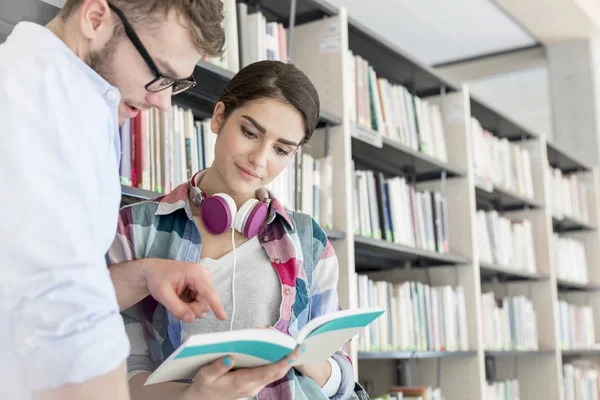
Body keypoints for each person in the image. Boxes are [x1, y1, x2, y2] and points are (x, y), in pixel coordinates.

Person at [0, 1, 230, 399]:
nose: (162, 102)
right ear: (95, 17)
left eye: (176, 84)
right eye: (158, 74)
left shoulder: (80, 105)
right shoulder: (37, 109)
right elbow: (64, 324)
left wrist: (143, 277)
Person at [107, 60, 359, 399]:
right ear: (219, 116)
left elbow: (341, 381)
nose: (259, 158)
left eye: (281, 149)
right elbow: (121, 377)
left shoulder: (308, 239)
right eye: (250, 133)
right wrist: (195, 396)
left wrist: (297, 354)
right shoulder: (135, 230)